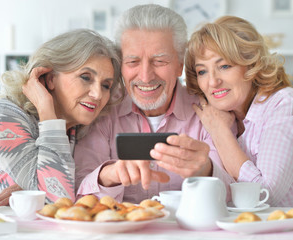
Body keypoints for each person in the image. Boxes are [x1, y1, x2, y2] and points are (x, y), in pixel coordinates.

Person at [74, 4, 234, 203]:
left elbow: (232, 196)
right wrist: (110, 176)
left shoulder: (208, 112)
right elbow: (79, 192)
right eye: (132, 62)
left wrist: (206, 171)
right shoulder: (103, 110)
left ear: (179, 65)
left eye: (159, 61)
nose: (145, 76)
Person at [0, 29, 124, 205]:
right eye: (85, 77)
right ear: (50, 78)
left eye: (106, 85)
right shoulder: (1, 116)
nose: (98, 94)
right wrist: (47, 111)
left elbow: (62, 197)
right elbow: (60, 199)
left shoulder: (75, 130)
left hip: (31, 228)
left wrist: (34, 191)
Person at [185, 16, 293, 206]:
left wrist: (220, 132)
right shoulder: (220, 113)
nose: (212, 81)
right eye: (202, 71)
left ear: (252, 65)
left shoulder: (283, 105)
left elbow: (265, 196)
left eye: (224, 66)